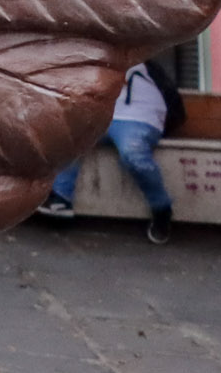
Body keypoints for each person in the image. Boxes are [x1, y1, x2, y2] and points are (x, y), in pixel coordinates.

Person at [40, 55, 188, 242]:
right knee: (71, 137)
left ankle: (161, 208)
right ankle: (60, 200)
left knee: (133, 153)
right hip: (104, 115)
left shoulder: (143, 63)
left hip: (139, 117)